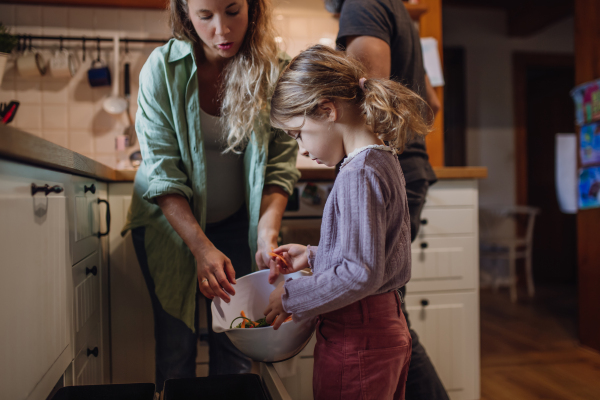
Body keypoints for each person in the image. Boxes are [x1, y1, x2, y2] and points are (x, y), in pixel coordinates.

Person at [121, 0, 300, 394]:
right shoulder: (162, 70)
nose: (222, 30)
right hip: (170, 231)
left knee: (236, 346)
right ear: (186, 14)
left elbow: (280, 167)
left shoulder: (274, 70)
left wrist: (265, 236)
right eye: (205, 16)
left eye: (233, 11)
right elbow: (163, 175)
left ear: (253, 8)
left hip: (240, 226)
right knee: (176, 350)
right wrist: (200, 247)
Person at [263, 44, 431, 400]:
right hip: (385, 326)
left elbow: (359, 273)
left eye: (298, 135)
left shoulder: (358, 173)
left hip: (357, 336)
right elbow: (373, 256)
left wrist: (292, 295)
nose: (303, 151)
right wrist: (312, 256)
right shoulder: (382, 158)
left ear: (326, 110)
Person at [324, 0, 449, 398]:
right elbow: (432, 103)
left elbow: (362, 100)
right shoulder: (397, 11)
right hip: (411, 167)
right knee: (390, 312)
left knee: (382, 319)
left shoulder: (360, 5)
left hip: (393, 168)